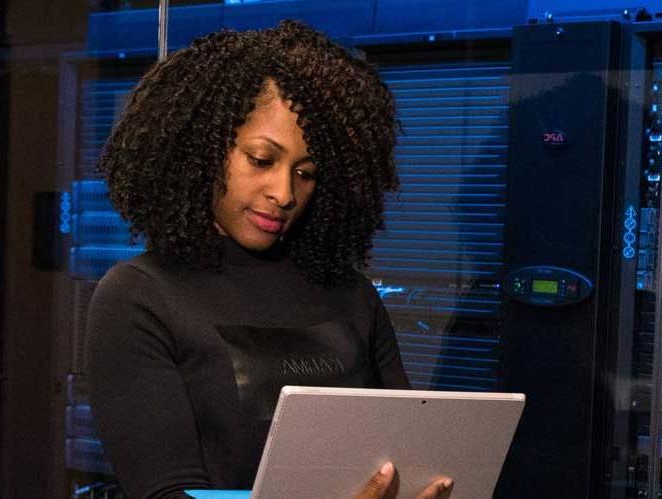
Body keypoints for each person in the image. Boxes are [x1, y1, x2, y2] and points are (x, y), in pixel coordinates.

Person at [87, 20, 453, 499]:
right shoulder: (139, 296)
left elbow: (402, 459)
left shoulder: (351, 296)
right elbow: (165, 493)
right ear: (202, 147)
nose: (283, 193)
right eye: (261, 159)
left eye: (306, 173)